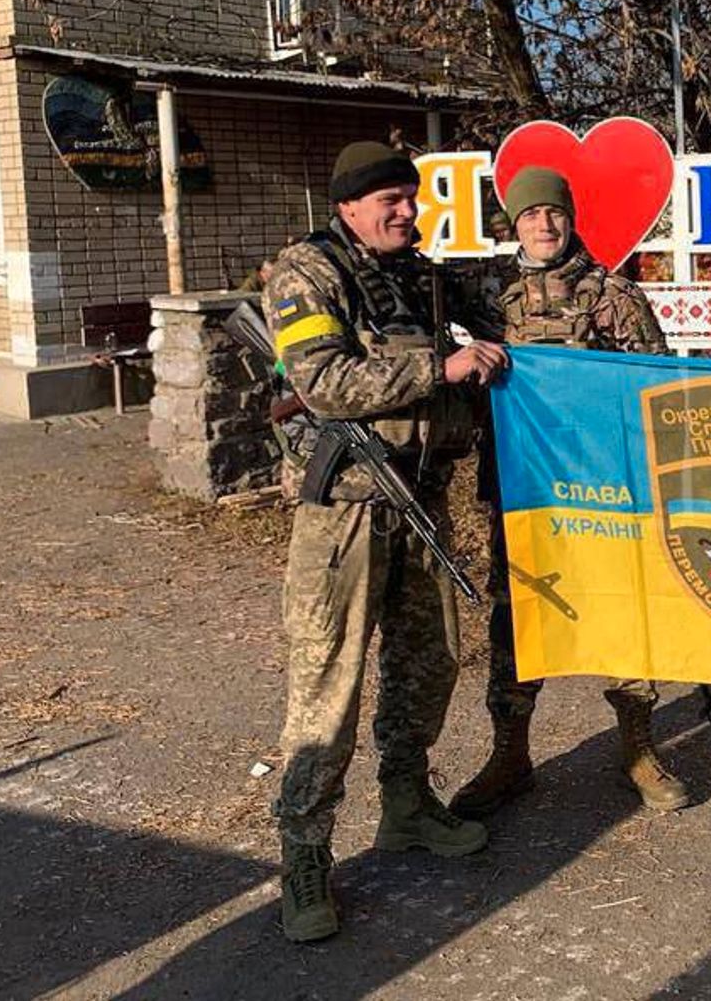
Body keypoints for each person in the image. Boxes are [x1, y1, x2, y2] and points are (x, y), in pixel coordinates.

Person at [263, 140, 508, 944]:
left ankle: (407, 803)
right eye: (390, 201)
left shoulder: (417, 274)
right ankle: (305, 854)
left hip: (421, 500)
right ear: (347, 206)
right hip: (348, 514)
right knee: (327, 685)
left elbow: (501, 317)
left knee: (430, 661)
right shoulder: (307, 272)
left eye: (412, 197)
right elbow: (324, 382)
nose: (407, 211)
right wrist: (444, 368)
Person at [449, 166, 690, 820]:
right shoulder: (489, 296)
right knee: (517, 615)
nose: (544, 224)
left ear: (570, 218)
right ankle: (510, 753)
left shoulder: (613, 295)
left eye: (554, 212)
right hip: (524, 487)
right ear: (514, 224)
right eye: (530, 214)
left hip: (602, 487)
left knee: (622, 608)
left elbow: (655, 387)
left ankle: (638, 747)